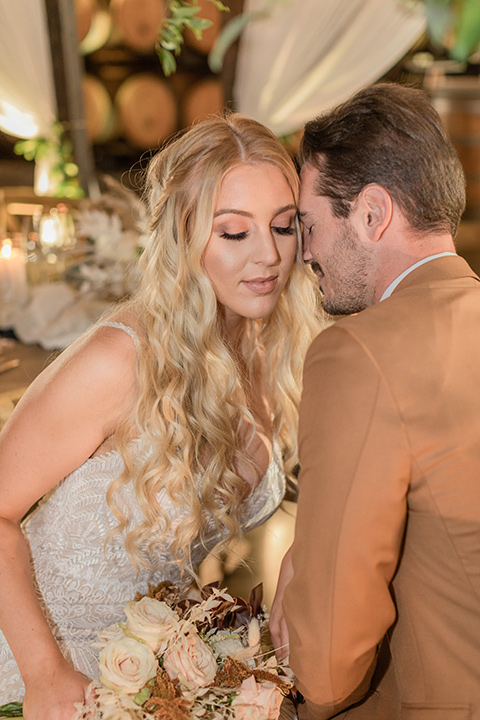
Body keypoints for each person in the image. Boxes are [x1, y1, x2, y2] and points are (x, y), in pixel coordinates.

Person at [0, 113, 321, 720]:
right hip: (39, 666)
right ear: (184, 233)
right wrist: (44, 674)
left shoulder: (271, 353)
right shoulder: (120, 358)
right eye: (234, 233)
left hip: (151, 675)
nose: (269, 255)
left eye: (284, 227)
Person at [270, 82, 480, 719]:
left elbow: (330, 662)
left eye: (309, 224)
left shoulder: (358, 353)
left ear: (371, 213)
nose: (304, 254)